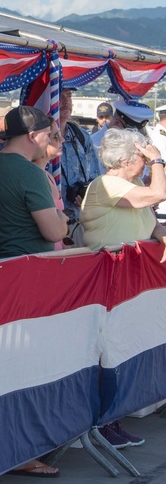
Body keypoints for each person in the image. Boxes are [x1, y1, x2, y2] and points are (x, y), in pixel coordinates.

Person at [79, 127, 166, 448]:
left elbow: (146, 213)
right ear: (129, 159)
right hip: (109, 279)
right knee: (108, 351)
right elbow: (158, 195)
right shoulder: (107, 185)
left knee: (122, 349)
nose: (145, 164)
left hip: (129, 281)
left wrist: (159, 234)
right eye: (142, 159)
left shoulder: (129, 185)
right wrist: (159, 160)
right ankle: (103, 423)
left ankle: (112, 419)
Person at [0, 106, 67, 261]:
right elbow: (54, 233)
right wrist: (62, 220)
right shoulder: (31, 172)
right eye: (47, 136)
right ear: (32, 136)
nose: (48, 141)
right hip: (25, 266)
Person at [58, 87, 101, 227]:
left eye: (69, 96)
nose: (66, 102)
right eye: (59, 96)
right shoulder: (38, 140)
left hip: (79, 222)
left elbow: (95, 177)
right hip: (47, 225)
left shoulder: (81, 136)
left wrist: (88, 198)